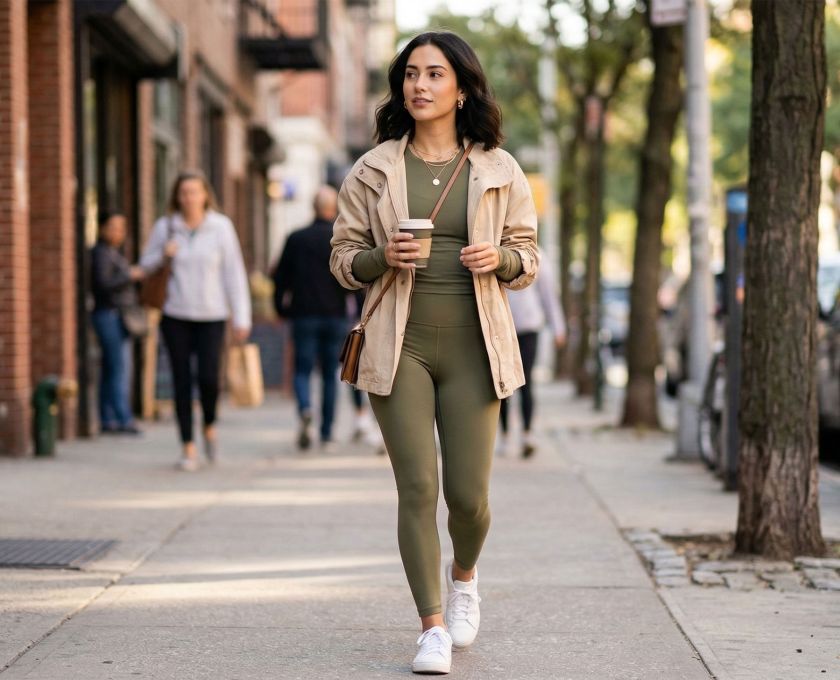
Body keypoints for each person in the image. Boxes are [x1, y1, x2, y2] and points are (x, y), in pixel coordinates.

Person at [330, 31, 538, 675]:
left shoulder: (499, 169)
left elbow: (528, 257)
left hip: (477, 344)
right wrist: (379, 256)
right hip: (400, 343)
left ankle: (465, 578)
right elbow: (341, 261)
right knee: (417, 486)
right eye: (411, 74)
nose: (420, 85)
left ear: (462, 87)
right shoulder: (373, 170)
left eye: (435, 74)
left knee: (469, 498)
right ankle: (432, 627)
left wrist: (499, 258)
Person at [140, 171, 251, 471]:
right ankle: (188, 446)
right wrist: (163, 255)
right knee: (180, 380)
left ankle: (210, 426)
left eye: (194, 191)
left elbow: (234, 273)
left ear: (205, 195)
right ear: (177, 196)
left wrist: (241, 316)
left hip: (212, 314)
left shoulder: (221, 227)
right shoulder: (166, 227)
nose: (188, 197)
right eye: (183, 192)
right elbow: (144, 265)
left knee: (208, 379)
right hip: (175, 314)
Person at [273, 186, 350, 451]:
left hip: (302, 314)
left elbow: (280, 277)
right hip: (334, 315)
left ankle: (305, 407)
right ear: (333, 209)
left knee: (302, 370)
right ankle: (327, 433)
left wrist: (280, 308)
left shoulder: (296, 238)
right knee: (330, 374)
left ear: (313, 207)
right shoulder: (340, 238)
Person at [498, 259, 566, 458]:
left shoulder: (540, 257)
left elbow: (548, 296)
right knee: (502, 383)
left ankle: (527, 434)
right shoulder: (498, 249)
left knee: (526, 381)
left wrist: (558, 327)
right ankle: (505, 435)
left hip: (528, 328)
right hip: (502, 327)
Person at [90, 212, 144, 435]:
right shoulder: (101, 253)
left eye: (121, 228)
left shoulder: (113, 253)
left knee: (112, 368)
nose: (118, 232)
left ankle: (109, 418)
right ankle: (122, 418)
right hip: (109, 315)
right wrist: (129, 275)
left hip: (115, 316)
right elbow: (102, 283)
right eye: (113, 227)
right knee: (118, 368)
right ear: (101, 228)